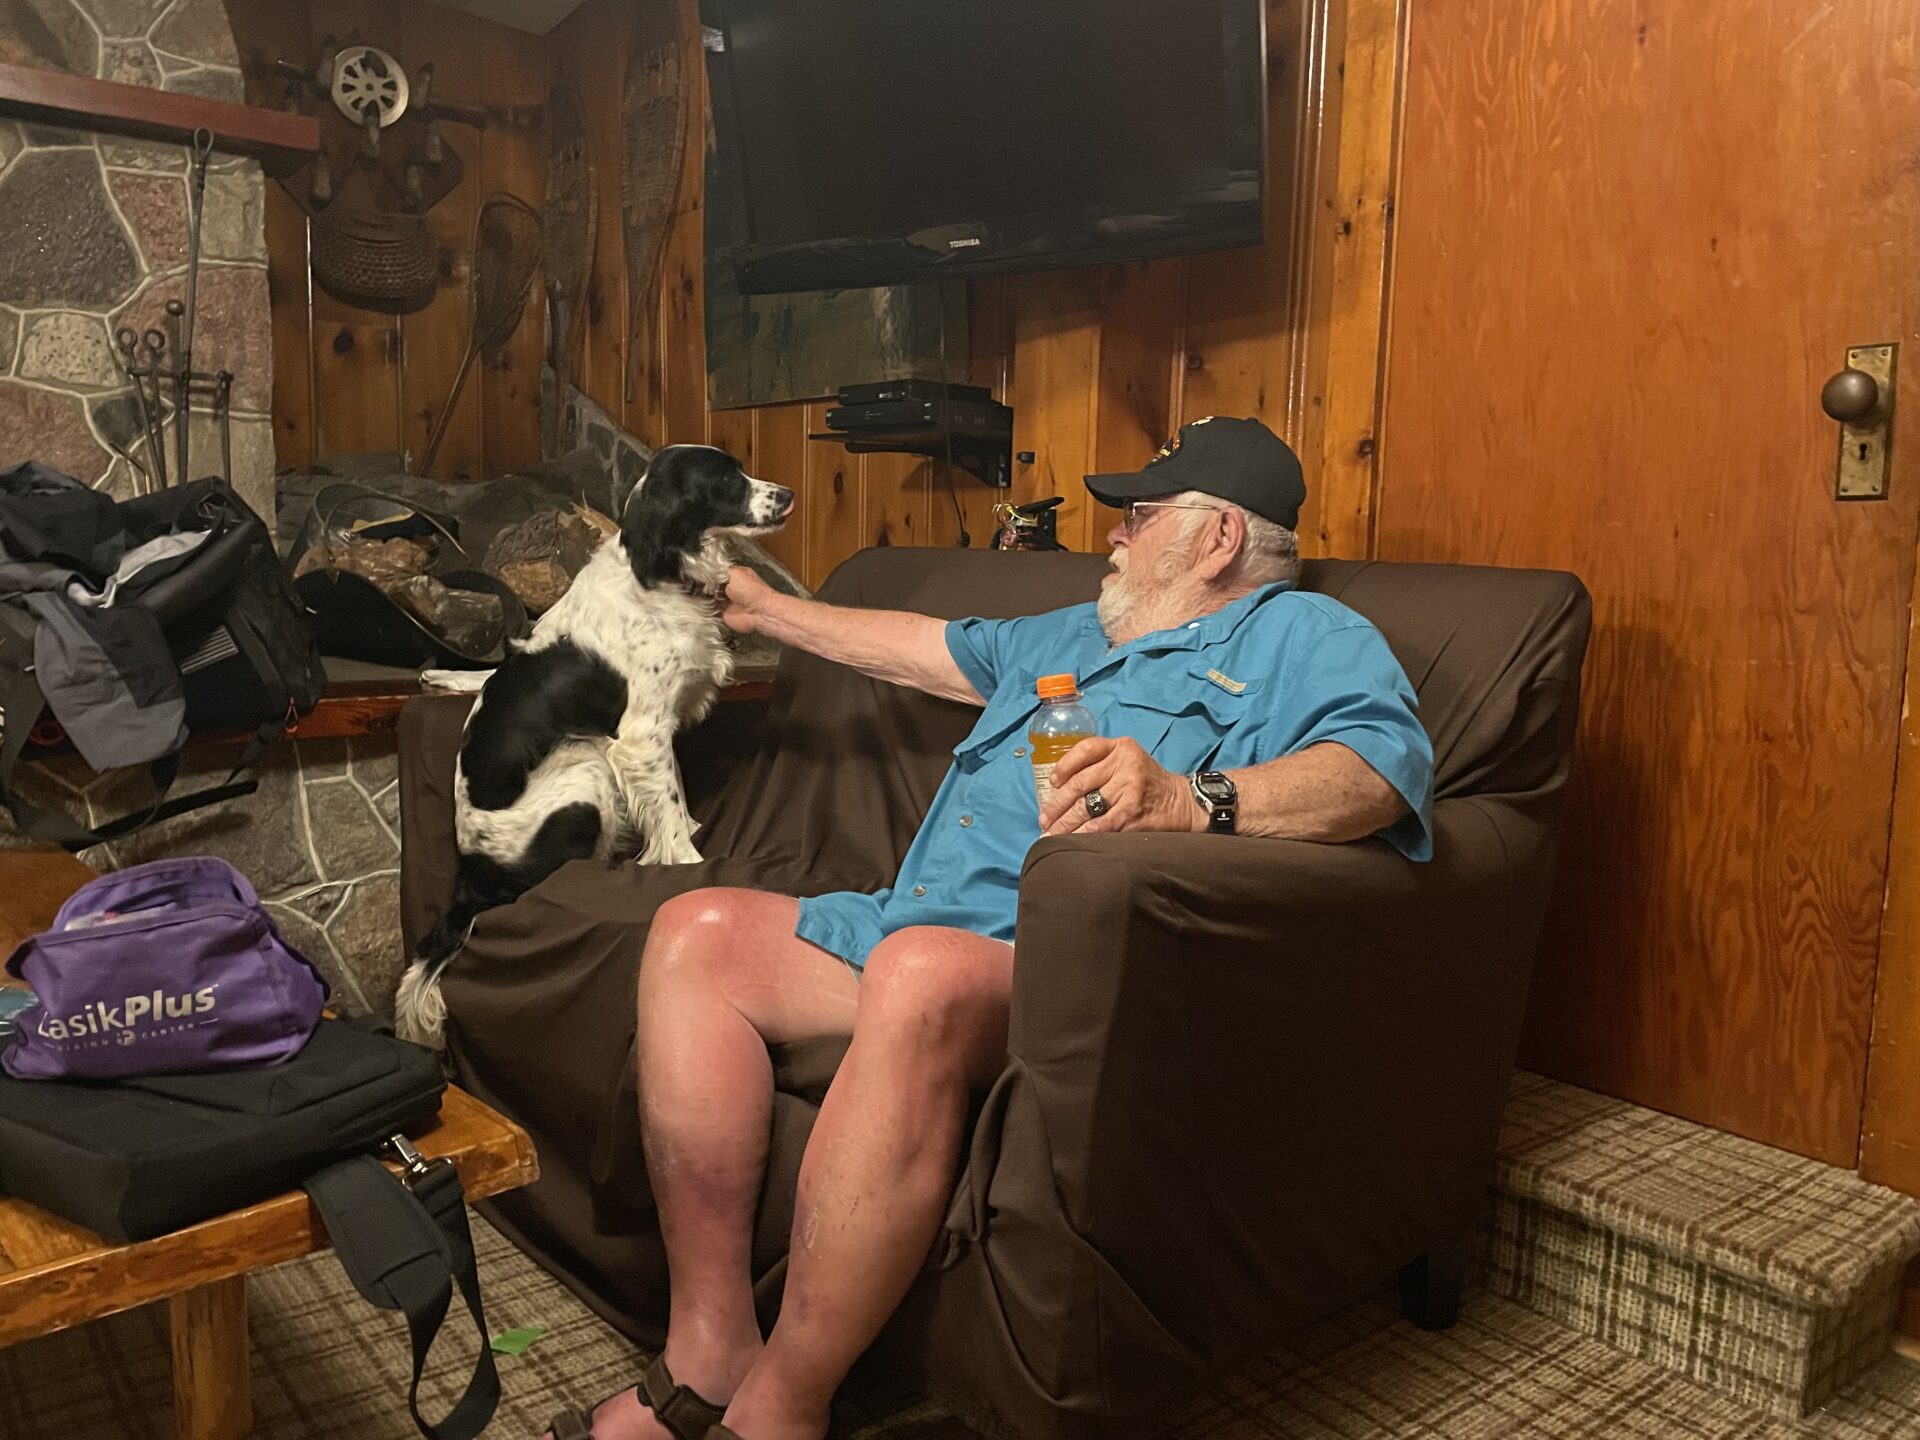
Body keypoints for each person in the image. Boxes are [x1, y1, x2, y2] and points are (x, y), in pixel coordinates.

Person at [541, 416, 1434, 1440]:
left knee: (917, 972)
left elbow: (1377, 773)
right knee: (695, 933)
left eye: (1139, 517)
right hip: (911, 928)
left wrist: (1193, 801)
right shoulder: (1076, 634)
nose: (1114, 536)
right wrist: (765, 609)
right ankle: (709, 1351)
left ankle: (783, 1408)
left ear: (1220, 538)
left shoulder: (1304, 636)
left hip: (1063, 972)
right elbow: (918, 648)